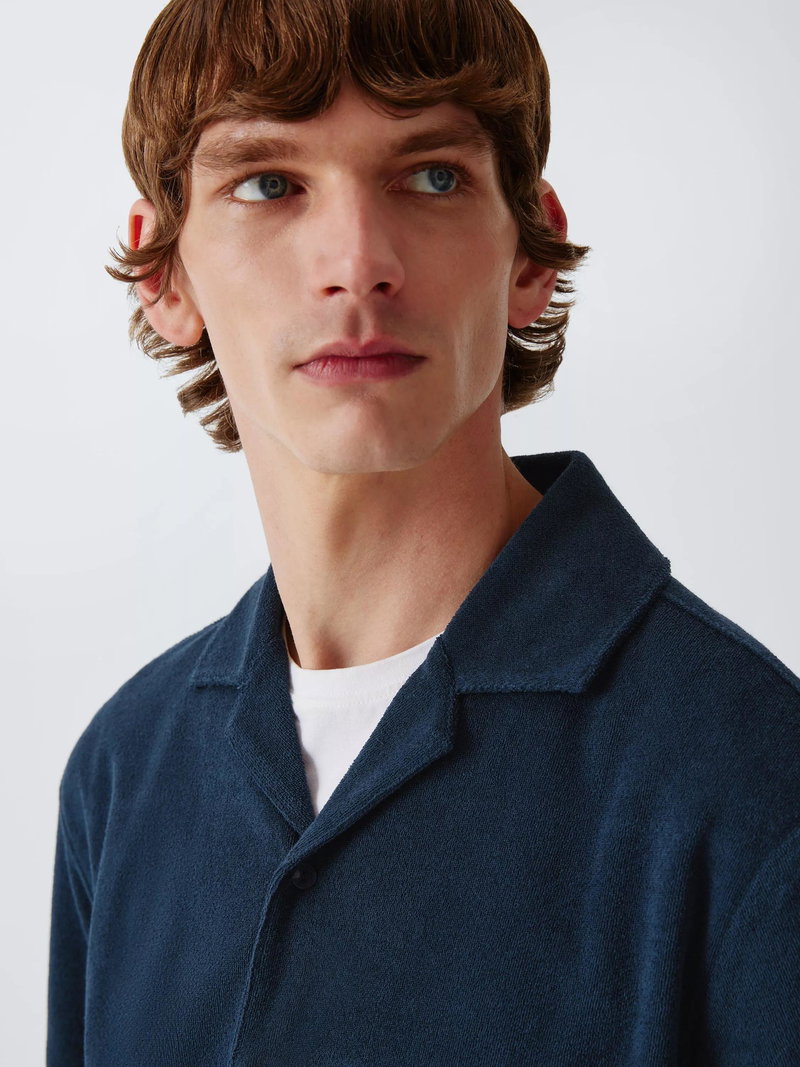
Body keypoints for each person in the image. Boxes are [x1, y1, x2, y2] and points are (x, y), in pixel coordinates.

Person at [48, 0, 800, 1063]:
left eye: (433, 176)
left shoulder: (748, 776)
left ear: (528, 254)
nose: (357, 261)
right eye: (268, 184)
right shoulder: (125, 771)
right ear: (164, 275)